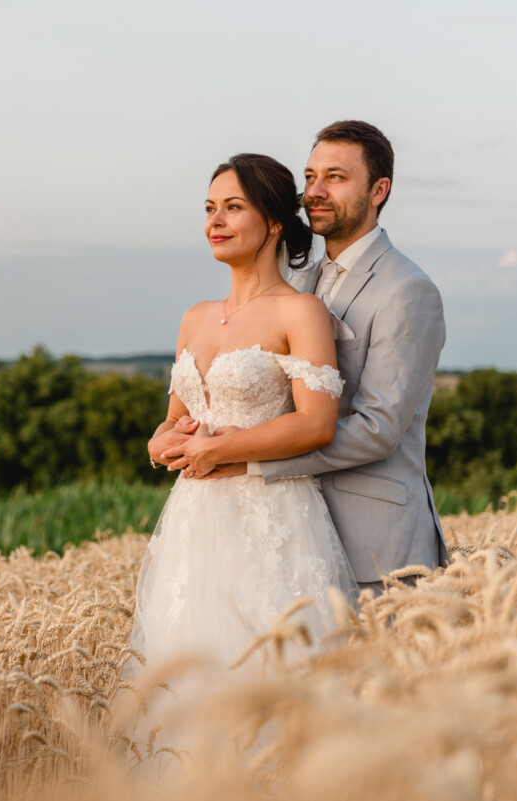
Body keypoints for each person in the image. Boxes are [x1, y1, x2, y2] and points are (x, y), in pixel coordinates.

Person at [161, 121, 449, 595]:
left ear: (379, 190)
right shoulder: (296, 286)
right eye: (310, 176)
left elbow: (378, 428)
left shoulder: (407, 291)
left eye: (335, 177)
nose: (314, 191)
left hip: (375, 542)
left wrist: (250, 460)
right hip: (288, 534)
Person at [129, 153, 358, 690]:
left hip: (270, 518)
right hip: (192, 523)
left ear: (274, 222)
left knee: (270, 678)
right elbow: (173, 424)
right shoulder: (194, 316)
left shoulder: (299, 312)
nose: (215, 221)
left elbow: (316, 424)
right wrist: (160, 446)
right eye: (210, 208)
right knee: (185, 681)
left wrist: (221, 451)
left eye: (233, 208)